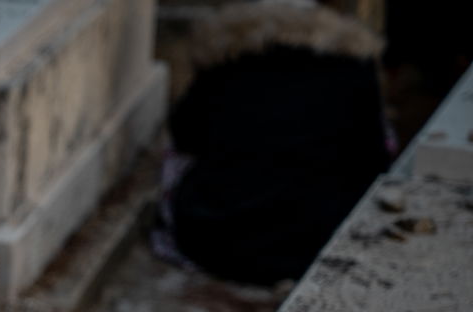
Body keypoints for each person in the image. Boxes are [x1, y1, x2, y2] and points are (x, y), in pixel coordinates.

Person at [155, 0, 392, 285]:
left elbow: (185, 132)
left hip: (222, 240)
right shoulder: (357, 62)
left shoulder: (229, 53)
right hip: (324, 240)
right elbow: (376, 156)